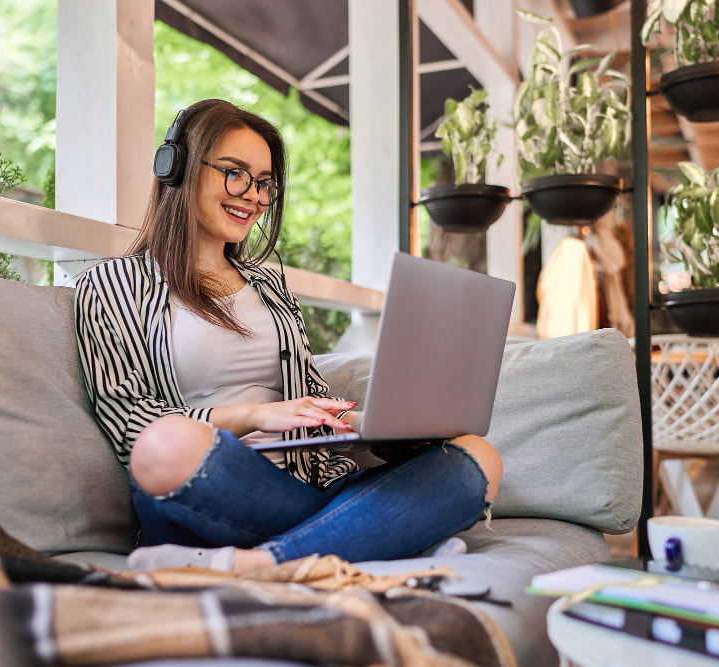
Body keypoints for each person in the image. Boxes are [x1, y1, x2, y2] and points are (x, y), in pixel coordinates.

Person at [74, 99, 503, 574]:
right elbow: (129, 422)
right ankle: (385, 534)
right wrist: (254, 414)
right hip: (214, 483)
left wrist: (369, 428)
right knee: (166, 444)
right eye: (235, 173)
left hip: (305, 485)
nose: (254, 196)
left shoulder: (269, 285)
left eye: (264, 183)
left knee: (478, 456)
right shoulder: (111, 284)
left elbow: (309, 398)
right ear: (177, 168)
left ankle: (262, 563)